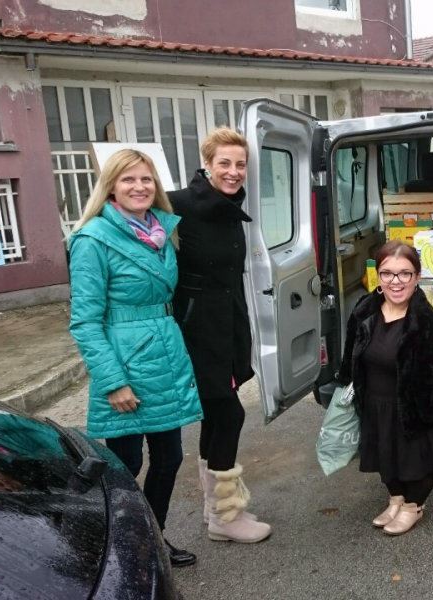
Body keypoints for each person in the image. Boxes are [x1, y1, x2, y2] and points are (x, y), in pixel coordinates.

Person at [68, 149, 204, 567]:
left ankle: (152, 541)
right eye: (128, 179)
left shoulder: (162, 231)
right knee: (125, 464)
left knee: (170, 458)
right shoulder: (93, 240)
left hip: (163, 357)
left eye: (146, 179)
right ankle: (117, 549)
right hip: (125, 365)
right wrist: (113, 382)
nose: (139, 187)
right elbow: (85, 322)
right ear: (111, 186)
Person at [170, 128, 271, 543]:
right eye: (224, 163)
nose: (233, 172)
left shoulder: (230, 207)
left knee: (216, 414)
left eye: (240, 164)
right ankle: (225, 516)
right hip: (196, 330)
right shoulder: (178, 203)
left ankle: (215, 510)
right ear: (207, 164)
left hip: (227, 325)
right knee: (230, 414)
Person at [336, 240, 433, 536]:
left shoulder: (428, 323)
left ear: (417, 277)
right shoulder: (364, 311)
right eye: (387, 273)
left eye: (405, 273)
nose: (396, 281)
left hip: (411, 408)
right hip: (374, 403)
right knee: (384, 456)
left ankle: (413, 505)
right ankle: (396, 498)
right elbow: (350, 354)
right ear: (377, 276)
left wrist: (429, 416)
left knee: (415, 461)